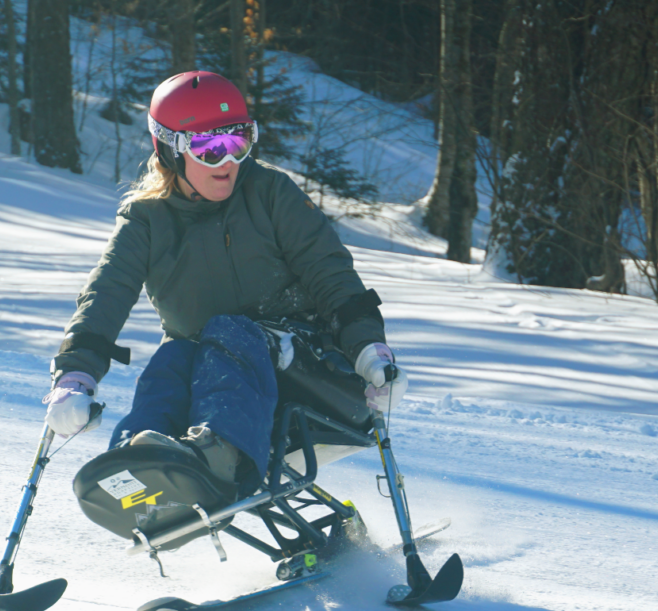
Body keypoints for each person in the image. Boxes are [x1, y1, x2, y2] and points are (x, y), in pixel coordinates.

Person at [43, 71, 408, 489]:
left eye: (239, 141)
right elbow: (105, 295)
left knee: (227, 331)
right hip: (213, 386)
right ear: (169, 149)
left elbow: (330, 272)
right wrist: (75, 377)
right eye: (209, 149)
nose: (228, 162)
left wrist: (368, 349)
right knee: (174, 356)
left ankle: (219, 453)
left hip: (315, 378)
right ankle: (138, 469)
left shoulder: (270, 193)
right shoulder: (146, 220)